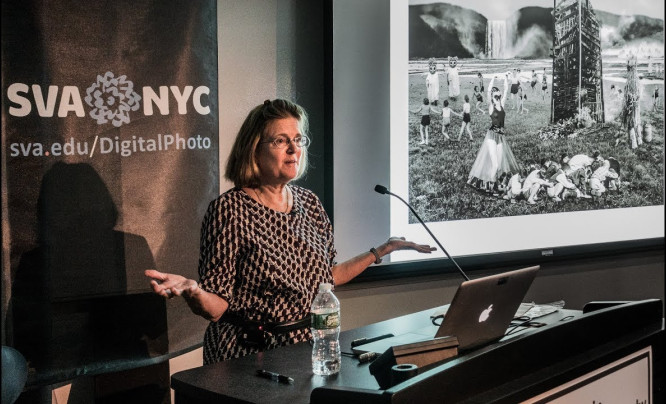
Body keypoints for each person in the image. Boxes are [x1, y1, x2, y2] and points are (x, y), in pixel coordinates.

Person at [145, 99, 435, 364]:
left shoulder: (309, 202)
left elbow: (326, 278)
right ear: (254, 148)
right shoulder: (230, 209)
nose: (294, 149)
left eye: (298, 139)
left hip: (308, 348)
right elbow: (218, 306)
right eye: (281, 140)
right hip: (248, 355)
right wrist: (194, 291)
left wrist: (379, 251)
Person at [466, 75, 521, 194]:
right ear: (492, 96)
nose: (498, 96)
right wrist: (493, 78)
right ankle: (490, 188)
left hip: (501, 137)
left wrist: (505, 77)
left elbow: (506, 90)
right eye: (495, 95)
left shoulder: (502, 104)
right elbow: (488, 91)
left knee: (500, 165)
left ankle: (494, 184)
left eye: (498, 95)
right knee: (495, 165)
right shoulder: (490, 106)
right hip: (491, 136)